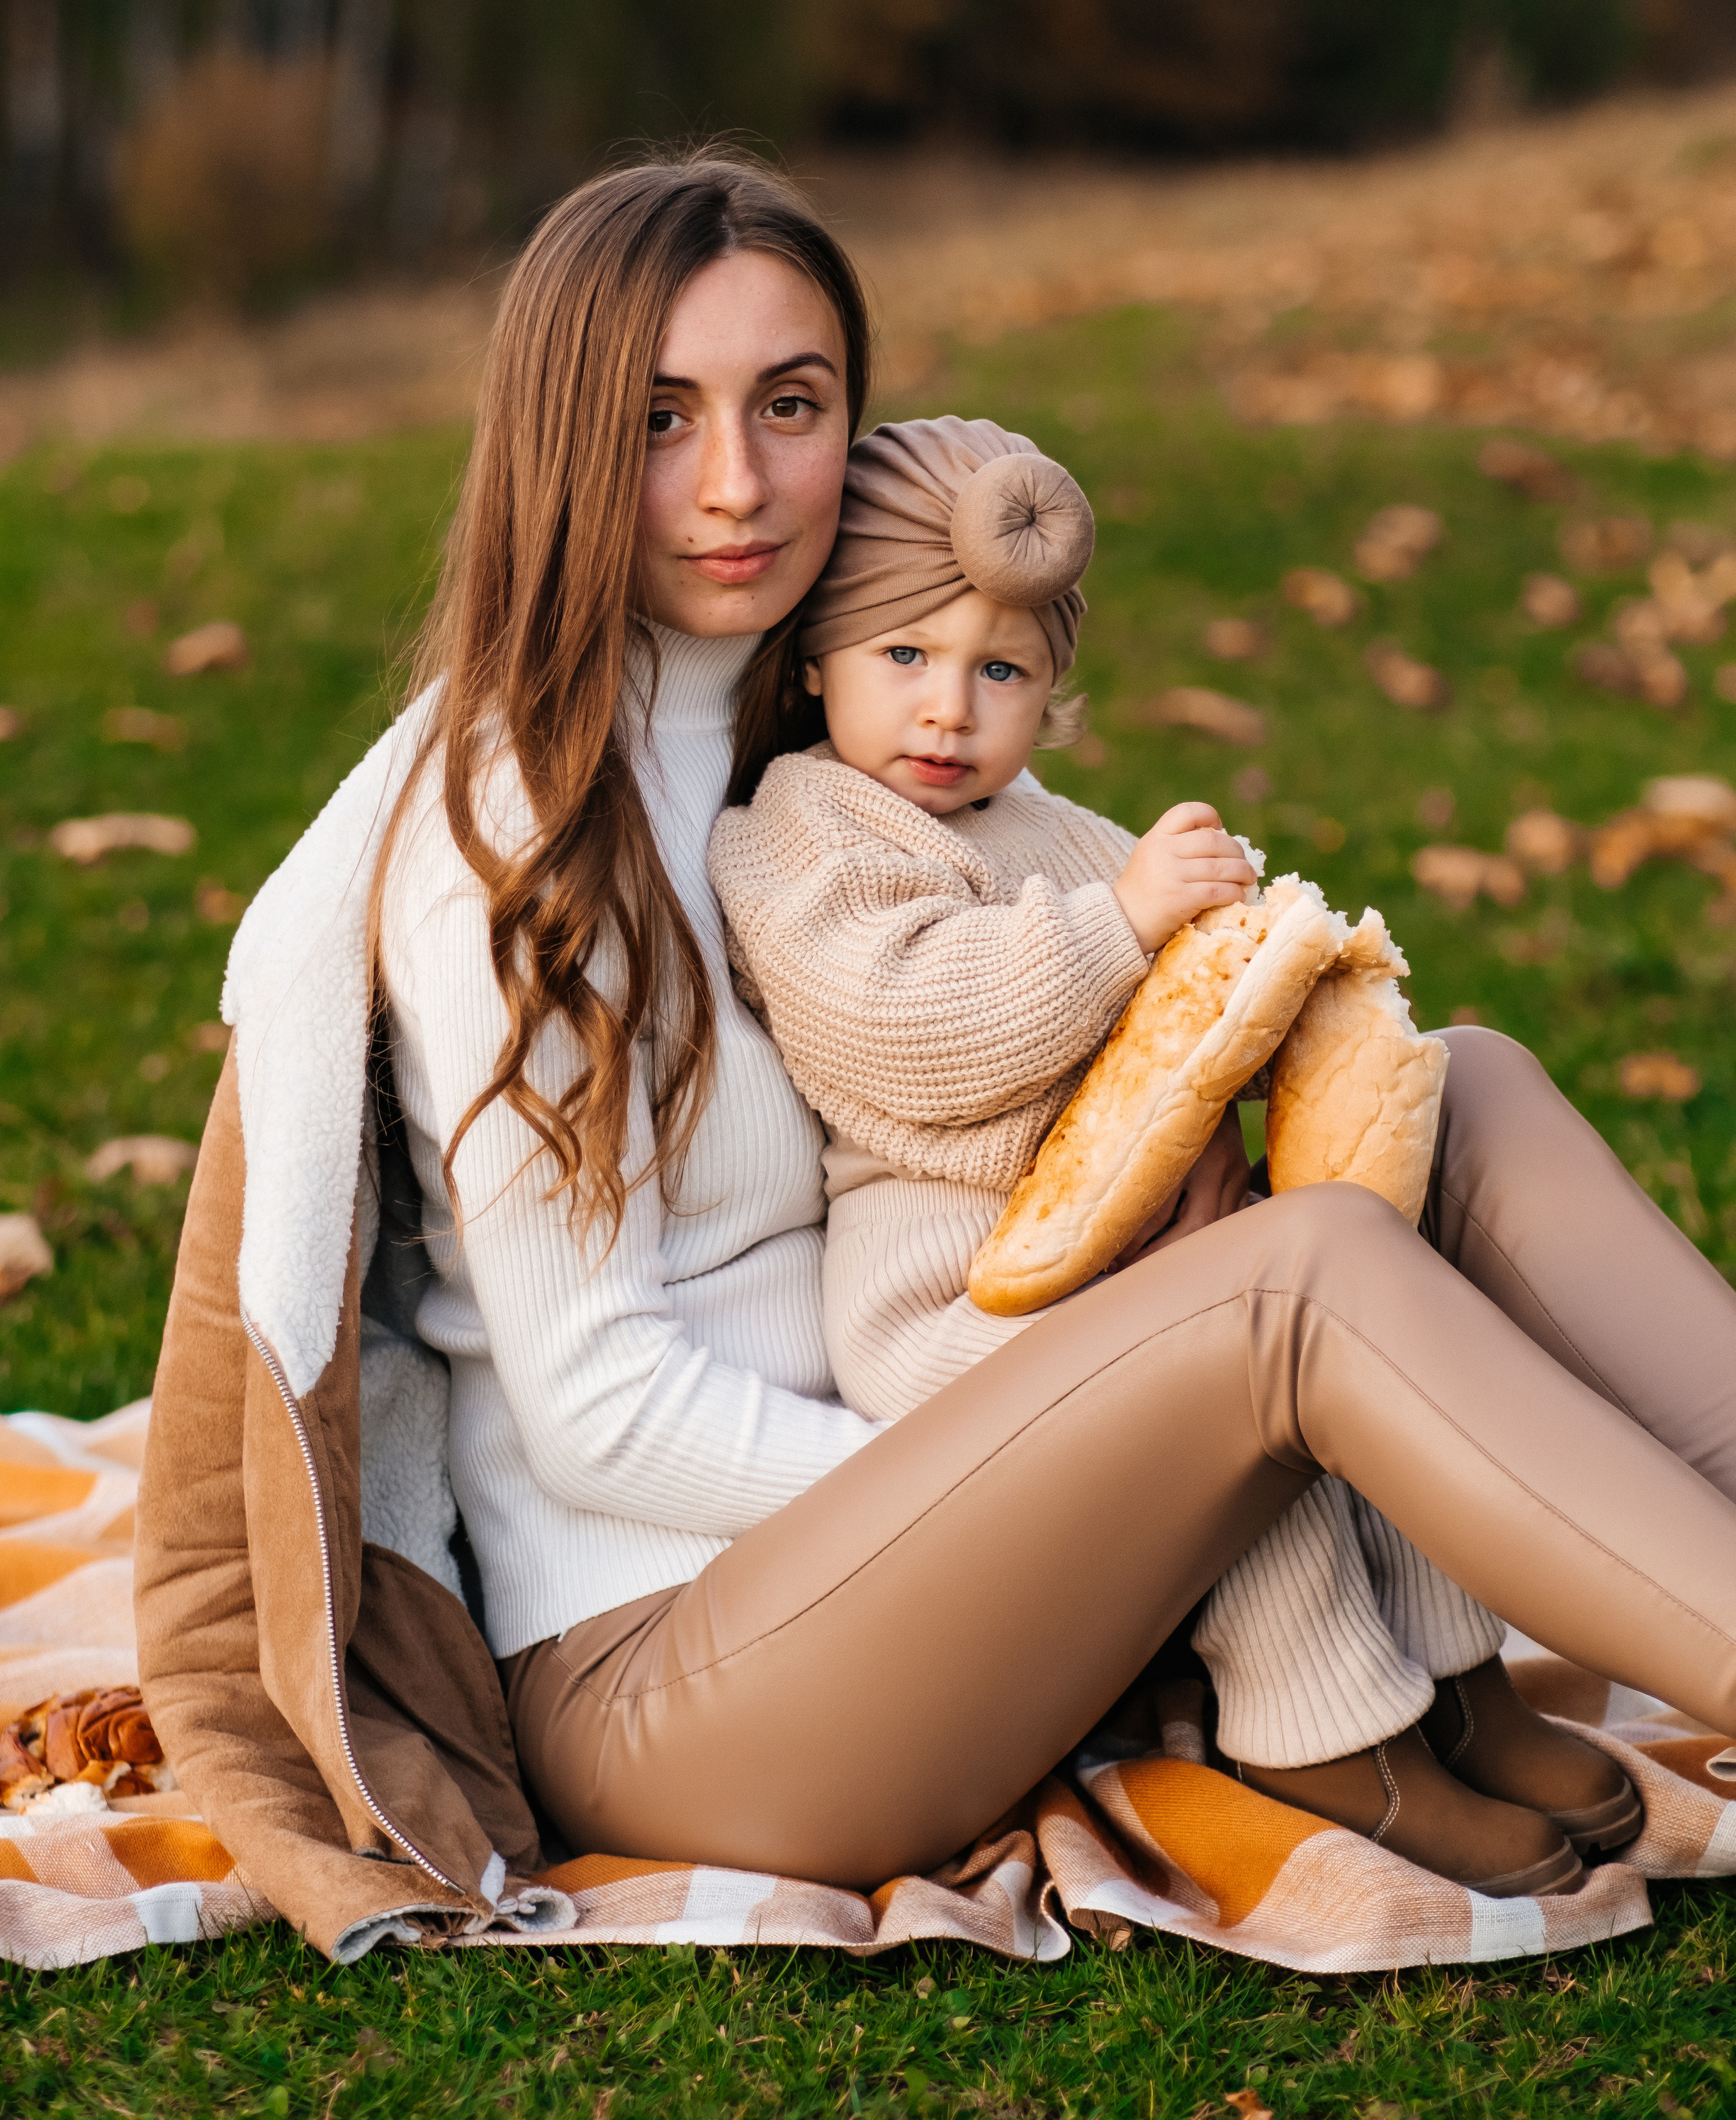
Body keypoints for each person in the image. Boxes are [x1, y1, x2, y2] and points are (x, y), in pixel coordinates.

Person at [137, 150, 1736, 1961]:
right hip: (681, 1672)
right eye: (660, 417)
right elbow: (600, 1418)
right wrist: (1051, 1440)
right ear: (555, 443)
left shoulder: (804, 716)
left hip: (907, 1504)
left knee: (1463, 1084)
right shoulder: (514, 825)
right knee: (1292, 1287)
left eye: (789, 405)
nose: (735, 485)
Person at [708, 412, 1635, 1895]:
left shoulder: (1055, 831)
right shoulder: (800, 833)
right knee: (1231, 1419)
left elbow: (1172, 1005)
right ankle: (1317, 1720)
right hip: (954, 1300)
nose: (946, 710)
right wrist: (1122, 926)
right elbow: (906, 1029)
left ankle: (1453, 1681)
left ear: (1049, 694)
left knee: (1370, 1351)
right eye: (902, 656)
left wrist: (1250, 962)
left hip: (1126, 1239)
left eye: (998, 672)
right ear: (814, 657)